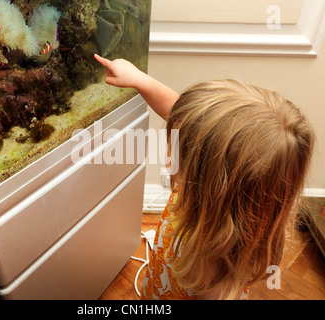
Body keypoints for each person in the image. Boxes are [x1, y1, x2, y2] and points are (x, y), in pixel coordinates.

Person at [94, 54, 315, 300]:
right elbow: (176, 109)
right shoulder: (202, 189)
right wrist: (139, 79)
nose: (169, 147)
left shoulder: (215, 274)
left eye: (179, 146)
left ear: (212, 180)